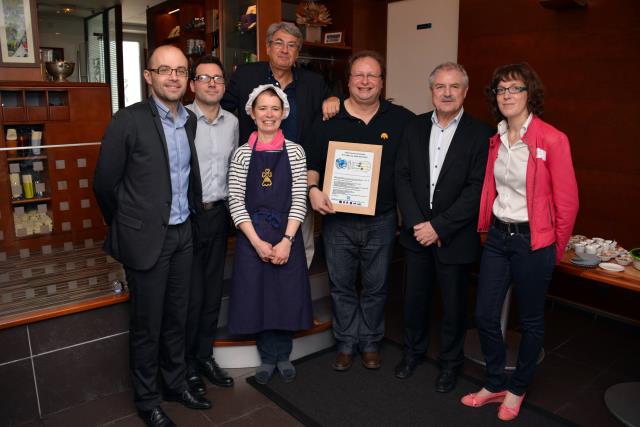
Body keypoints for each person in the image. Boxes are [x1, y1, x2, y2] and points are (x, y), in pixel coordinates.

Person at [93, 45, 212, 427]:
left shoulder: (188, 120)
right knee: (148, 325)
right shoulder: (127, 121)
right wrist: (129, 226)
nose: (174, 77)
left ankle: (175, 383)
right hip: (147, 241)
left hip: (183, 235)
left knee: (178, 317)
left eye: (181, 70)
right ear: (149, 76)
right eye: (165, 70)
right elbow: (105, 185)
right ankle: (147, 399)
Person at [460, 63, 579, 421]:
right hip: (498, 237)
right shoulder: (495, 139)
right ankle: (495, 380)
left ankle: (518, 387)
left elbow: (568, 202)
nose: (508, 95)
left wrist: (552, 250)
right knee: (484, 314)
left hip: (534, 242)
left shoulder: (552, 139)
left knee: (529, 322)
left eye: (515, 88)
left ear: (531, 95)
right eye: (501, 90)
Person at [307, 50, 415, 371]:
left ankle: (369, 341)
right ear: (348, 80)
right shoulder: (328, 119)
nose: (365, 81)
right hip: (337, 221)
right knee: (340, 286)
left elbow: (409, 170)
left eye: (372, 76)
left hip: (381, 220)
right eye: (359, 75)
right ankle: (345, 342)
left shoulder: (402, 121)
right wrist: (313, 190)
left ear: (382, 82)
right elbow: (313, 164)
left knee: (376, 286)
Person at [394, 62, 493, 392]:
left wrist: (439, 227)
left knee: (453, 308)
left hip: (454, 236)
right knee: (414, 300)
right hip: (416, 234)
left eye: (454, 87)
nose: (447, 92)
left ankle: (450, 365)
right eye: (440, 86)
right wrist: (418, 223)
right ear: (431, 91)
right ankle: (412, 353)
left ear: (465, 91)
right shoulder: (414, 127)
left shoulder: (481, 134)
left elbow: (476, 189)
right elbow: (402, 176)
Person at [222, 21, 340, 268]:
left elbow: (334, 99)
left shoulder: (314, 82)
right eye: (279, 43)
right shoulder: (246, 75)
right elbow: (221, 109)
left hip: (297, 175)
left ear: (297, 52)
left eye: (292, 45)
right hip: (256, 174)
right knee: (256, 242)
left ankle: (295, 294)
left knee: (301, 241)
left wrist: (333, 98)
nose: (285, 50)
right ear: (267, 47)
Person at [227, 84, 313, 385]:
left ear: (283, 113)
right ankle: (266, 358)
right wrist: (257, 241)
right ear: (252, 113)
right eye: (262, 108)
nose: (269, 114)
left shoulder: (295, 151)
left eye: (275, 108)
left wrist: (287, 240)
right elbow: (235, 201)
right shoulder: (241, 155)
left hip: (286, 234)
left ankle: (283, 354)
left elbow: (299, 199)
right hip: (253, 237)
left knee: (285, 295)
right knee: (258, 297)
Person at [184, 55, 238, 397]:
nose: (212, 83)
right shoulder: (180, 119)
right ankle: (185, 365)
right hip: (187, 217)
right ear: (193, 85)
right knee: (188, 295)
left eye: (218, 78)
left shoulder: (233, 122)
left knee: (211, 292)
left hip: (218, 215)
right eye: (205, 78)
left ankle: (204, 356)